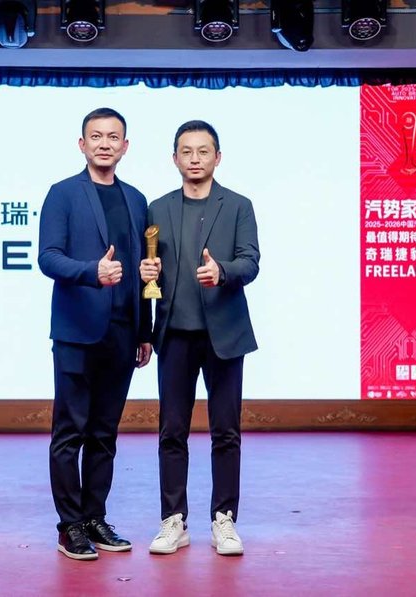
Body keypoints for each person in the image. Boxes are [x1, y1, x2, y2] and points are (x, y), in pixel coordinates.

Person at [139, 120, 260, 557]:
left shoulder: (239, 206)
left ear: (217, 157)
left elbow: (251, 261)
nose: (194, 159)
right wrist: (146, 274)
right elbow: (148, 273)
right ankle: (173, 520)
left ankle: (224, 519)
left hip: (224, 334)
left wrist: (222, 271)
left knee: (226, 431)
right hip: (174, 334)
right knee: (172, 431)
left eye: (203, 151)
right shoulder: (157, 208)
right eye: (186, 152)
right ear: (174, 158)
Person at [38, 107, 153, 561]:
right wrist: (92, 272)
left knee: (105, 433)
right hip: (76, 331)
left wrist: (145, 330)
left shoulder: (137, 200)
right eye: (96, 136)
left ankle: (94, 518)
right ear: (82, 144)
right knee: (70, 432)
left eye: (113, 137)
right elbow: (48, 257)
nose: (105, 144)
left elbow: (144, 271)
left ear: (125, 146)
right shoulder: (63, 193)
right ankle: (69, 526)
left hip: (123, 332)